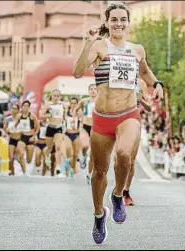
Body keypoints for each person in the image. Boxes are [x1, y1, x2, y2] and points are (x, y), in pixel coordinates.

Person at [73, 2, 164, 244]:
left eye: (123, 19)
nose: (119, 23)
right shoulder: (100, 47)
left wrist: (156, 84)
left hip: (128, 114)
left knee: (124, 155)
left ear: (128, 22)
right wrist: (88, 43)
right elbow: (78, 72)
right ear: (107, 22)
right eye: (114, 19)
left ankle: (117, 195)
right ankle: (99, 215)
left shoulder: (137, 50)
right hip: (102, 119)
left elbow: (145, 73)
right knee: (99, 172)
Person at [123, 78, 151, 206]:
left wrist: (141, 100)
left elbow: (149, 107)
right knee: (119, 158)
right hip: (117, 118)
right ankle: (117, 191)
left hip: (134, 118)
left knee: (131, 161)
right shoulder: (117, 78)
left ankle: (126, 192)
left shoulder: (141, 83)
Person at [77, 84, 97, 183]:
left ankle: (89, 174)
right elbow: (75, 110)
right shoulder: (84, 101)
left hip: (96, 128)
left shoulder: (101, 102)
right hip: (85, 126)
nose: (93, 91)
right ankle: (83, 156)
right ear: (88, 91)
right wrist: (79, 114)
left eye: (95, 89)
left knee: (93, 153)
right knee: (85, 146)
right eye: (91, 89)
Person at [43, 90, 65, 177]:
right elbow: (44, 117)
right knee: (49, 147)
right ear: (51, 96)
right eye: (54, 95)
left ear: (59, 96)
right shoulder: (48, 104)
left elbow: (65, 116)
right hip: (50, 127)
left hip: (58, 127)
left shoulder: (62, 105)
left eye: (57, 96)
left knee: (58, 147)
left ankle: (58, 168)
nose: (56, 97)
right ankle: (47, 157)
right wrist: (47, 115)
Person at [15, 100, 39, 175]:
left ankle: (27, 165)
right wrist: (16, 130)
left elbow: (38, 127)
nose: (25, 107)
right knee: (21, 154)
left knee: (29, 160)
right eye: (24, 105)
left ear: (29, 107)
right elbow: (15, 126)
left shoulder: (32, 115)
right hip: (22, 136)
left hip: (30, 137)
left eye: (27, 106)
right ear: (21, 107)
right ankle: (24, 171)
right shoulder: (19, 116)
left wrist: (34, 136)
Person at [63, 97, 82, 177]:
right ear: (69, 104)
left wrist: (75, 114)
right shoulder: (66, 111)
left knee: (75, 155)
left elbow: (81, 121)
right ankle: (67, 160)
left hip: (76, 134)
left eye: (75, 103)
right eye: (72, 103)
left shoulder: (79, 111)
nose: (73, 105)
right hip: (68, 133)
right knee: (68, 148)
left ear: (77, 104)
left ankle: (72, 169)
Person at [3, 104, 21, 175]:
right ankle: (12, 173)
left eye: (15, 108)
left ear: (18, 110)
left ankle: (22, 170)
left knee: (19, 158)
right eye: (12, 108)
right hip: (12, 139)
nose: (13, 110)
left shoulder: (21, 118)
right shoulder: (8, 119)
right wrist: (7, 131)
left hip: (20, 140)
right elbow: (5, 128)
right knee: (11, 157)